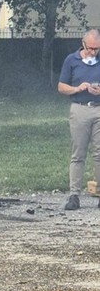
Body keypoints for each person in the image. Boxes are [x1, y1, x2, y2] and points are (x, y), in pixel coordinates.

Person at [57, 28, 100, 211]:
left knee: (99, 154)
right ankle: (74, 195)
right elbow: (61, 87)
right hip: (79, 108)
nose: (92, 52)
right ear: (83, 44)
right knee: (78, 153)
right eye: (90, 48)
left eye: (96, 49)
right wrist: (77, 88)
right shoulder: (71, 60)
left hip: (98, 109)